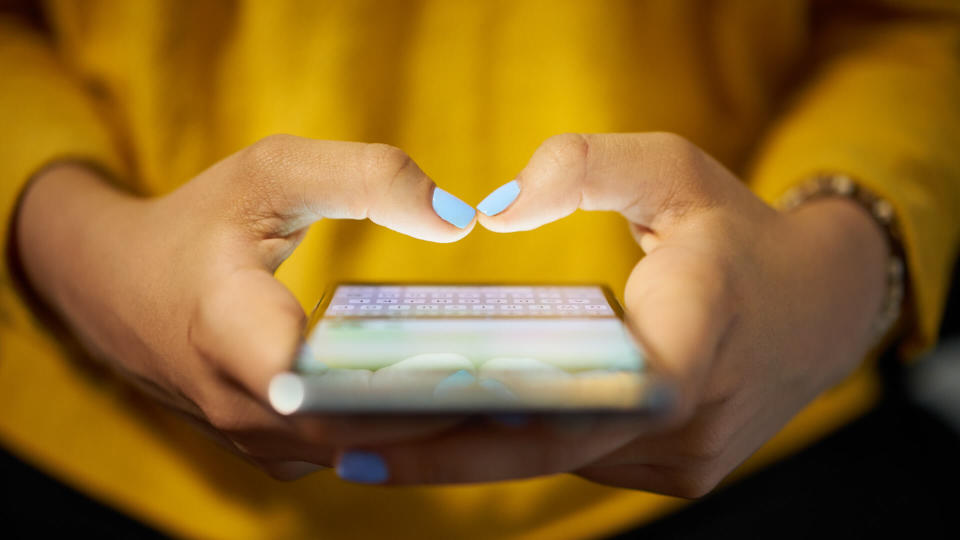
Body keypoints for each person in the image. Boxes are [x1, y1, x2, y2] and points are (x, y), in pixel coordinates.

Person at [1, 0, 959, 538]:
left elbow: (916, 26)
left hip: (765, 441)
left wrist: (833, 274)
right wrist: (73, 246)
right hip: (112, 469)